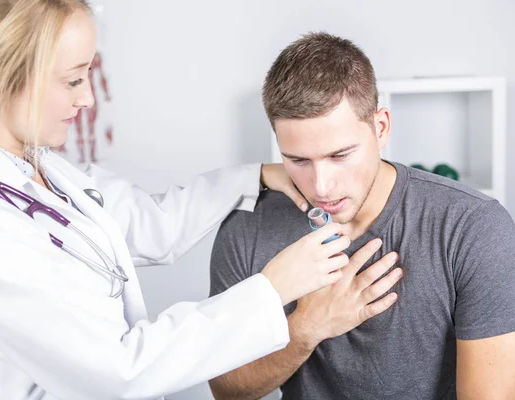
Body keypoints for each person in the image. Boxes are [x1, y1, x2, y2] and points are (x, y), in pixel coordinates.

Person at [0, 3, 385, 398]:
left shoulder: (35, 165)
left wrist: (256, 175)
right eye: (72, 80)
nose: (88, 100)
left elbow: (147, 227)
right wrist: (272, 289)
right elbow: (118, 370)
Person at [209, 32, 515, 400]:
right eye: (298, 160)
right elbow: (226, 390)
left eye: (340, 155)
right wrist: (305, 329)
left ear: (380, 127)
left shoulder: (472, 227)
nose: (321, 186)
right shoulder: (247, 228)